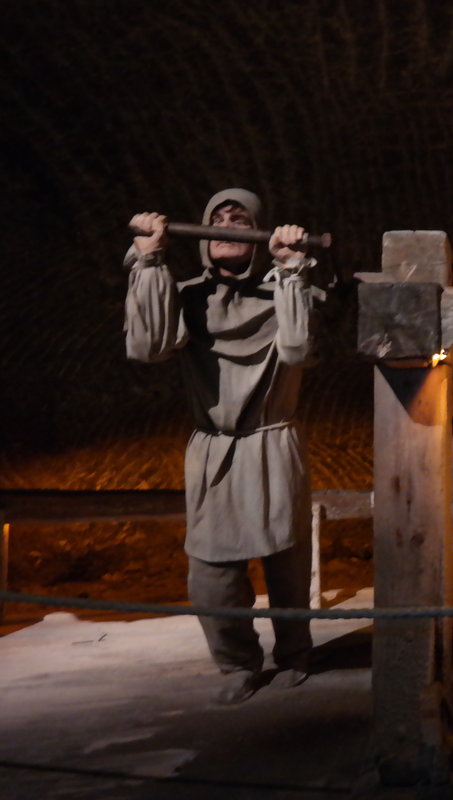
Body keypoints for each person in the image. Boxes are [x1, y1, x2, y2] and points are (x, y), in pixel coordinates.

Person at [124, 188, 320, 704]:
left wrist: (294, 270)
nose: (229, 222)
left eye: (241, 217)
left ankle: (296, 651)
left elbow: (297, 348)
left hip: (273, 440)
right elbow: (148, 347)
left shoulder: (286, 293)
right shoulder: (186, 296)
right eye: (218, 217)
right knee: (211, 571)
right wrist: (148, 261)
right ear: (204, 239)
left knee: (286, 559)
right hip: (214, 447)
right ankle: (236, 662)